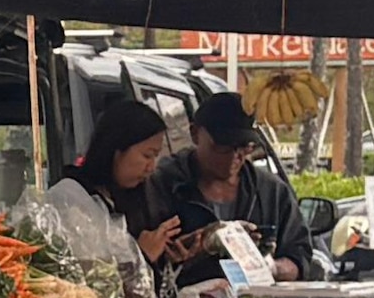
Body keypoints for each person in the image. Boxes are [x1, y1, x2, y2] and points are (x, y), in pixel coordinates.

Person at [142, 87, 320, 276]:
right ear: (195, 134)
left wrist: (270, 268)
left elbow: (299, 258)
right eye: (222, 147)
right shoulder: (159, 185)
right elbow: (137, 257)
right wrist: (178, 255)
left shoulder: (272, 192)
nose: (234, 157)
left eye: (245, 148)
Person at [61, 95, 202, 282]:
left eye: (156, 157)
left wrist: (167, 255)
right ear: (116, 149)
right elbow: (81, 282)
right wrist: (139, 256)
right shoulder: (72, 198)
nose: (151, 167)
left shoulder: (144, 197)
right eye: (147, 155)